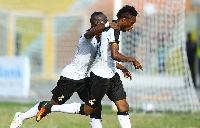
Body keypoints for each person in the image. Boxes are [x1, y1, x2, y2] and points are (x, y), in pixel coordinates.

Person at [10, 11, 131, 128]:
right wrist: (107, 25)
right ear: (96, 24)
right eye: (103, 23)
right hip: (70, 78)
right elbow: (90, 33)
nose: (106, 26)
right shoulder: (86, 37)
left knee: (94, 107)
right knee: (52, 105)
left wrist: (122, 67)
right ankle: (22, 116)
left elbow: (105, 60)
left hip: (84, 79)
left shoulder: (100, 41)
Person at [37, 5, 142, 128]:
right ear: (124, 20)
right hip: (100, 77)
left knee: (123, 106)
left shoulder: (113, 29)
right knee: (88, 110)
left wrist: (122, 68)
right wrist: (133, 60)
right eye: (131, 23)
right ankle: (50, 107)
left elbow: (106, 57)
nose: (131, 27)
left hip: (112, 74)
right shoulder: (111, 30)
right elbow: (114, 55)